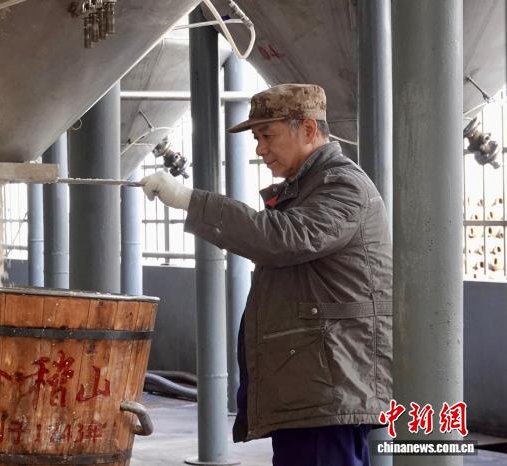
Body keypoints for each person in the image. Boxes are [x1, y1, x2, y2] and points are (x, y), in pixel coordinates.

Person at [141, 83, 392, 466]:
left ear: (308, 129)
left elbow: (281, 237)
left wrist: (189, 200)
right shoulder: (308, 187)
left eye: (267, 136)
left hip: (329, 385)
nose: (260, 149)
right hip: (317, 383)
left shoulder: (342, 186)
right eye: (257, 138)